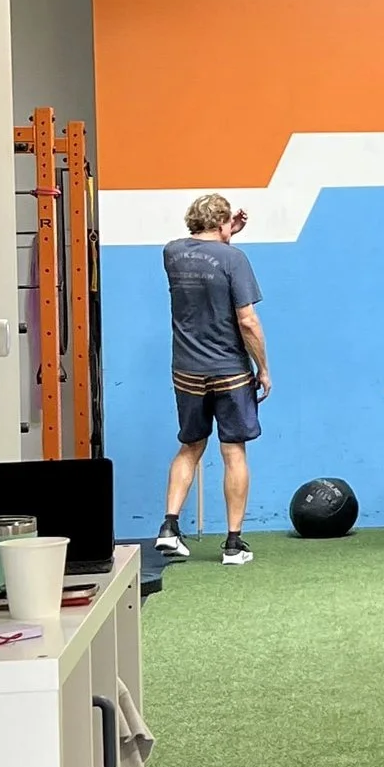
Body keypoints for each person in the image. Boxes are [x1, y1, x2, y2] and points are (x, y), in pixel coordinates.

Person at [152, 192, 267, 571]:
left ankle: (169, 527)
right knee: (233, 452)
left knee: (190, 447)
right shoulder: (234, 258)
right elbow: (248, 321)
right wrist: (263, 368)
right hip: (229, 370)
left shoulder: (172, 253)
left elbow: (201, 255)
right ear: (222, 224)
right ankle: (233, 545)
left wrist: (226, 231)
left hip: (186, 370)